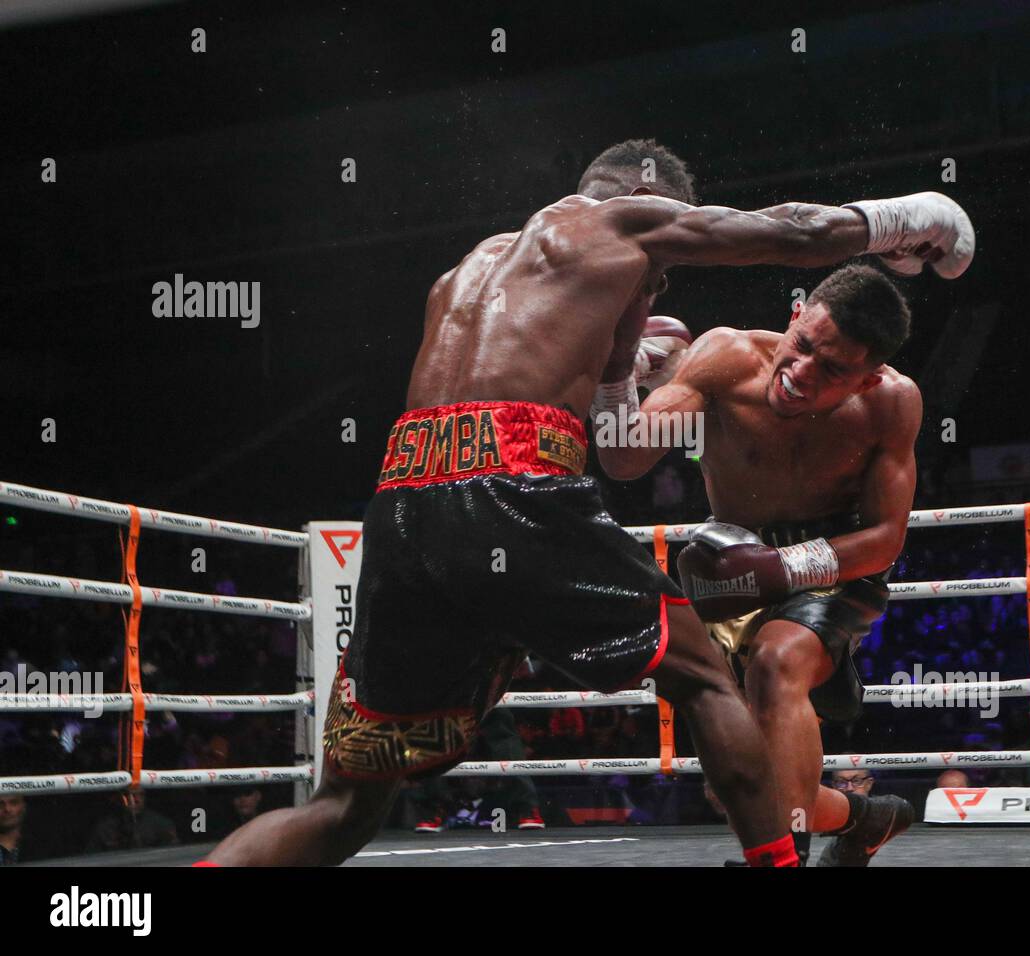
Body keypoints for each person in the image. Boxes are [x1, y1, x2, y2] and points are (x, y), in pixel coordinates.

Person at [201, 138, 973, 867]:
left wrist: (623, 358)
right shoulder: (619, 222)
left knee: (343, 805)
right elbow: (790, 234)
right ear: (641, 198)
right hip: (513, 484)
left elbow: (594, 423)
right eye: (662, 260)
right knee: (704, 680)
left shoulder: (476, 266)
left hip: (405, 505)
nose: (660, 276)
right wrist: (908, 218)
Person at [598, 262, 954, 865]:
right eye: (803, 346)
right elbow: (624, 460)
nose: (800, 374)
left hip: (836, 565)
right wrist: (614, 376)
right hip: (732, 557)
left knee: (777, 660)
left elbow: (887, 537)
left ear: (867, 380)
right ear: (795, 317)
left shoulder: (892, 403)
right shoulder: (723, 358)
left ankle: (780, 857)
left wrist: (782, 568)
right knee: (738, 785)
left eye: (834, 370)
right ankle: (866, 819)